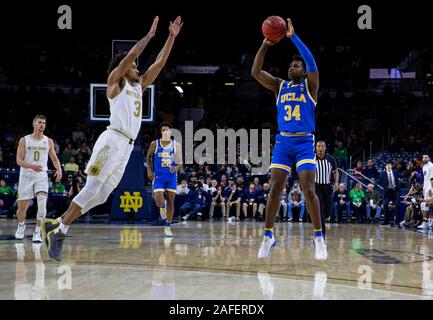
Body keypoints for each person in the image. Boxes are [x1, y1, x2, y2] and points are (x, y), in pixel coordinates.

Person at [43, 16, 183, 261]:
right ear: (124, 66)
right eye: (134, 65)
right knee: (93, 187)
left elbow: (159, 64)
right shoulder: (115, 83)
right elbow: (130, 56)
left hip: (126, 147)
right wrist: (149, 37)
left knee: (103, 194)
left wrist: (170, 37)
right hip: (111, 141)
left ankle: (54, 223)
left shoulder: (138, 86)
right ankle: (60, 230)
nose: (138, 67)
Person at [252, 18, 326, 260]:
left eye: (295, 66)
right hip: (284, 143)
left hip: (305, 142)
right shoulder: (279, 86)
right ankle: (268, 236)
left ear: (303, 71)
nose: (290, 69)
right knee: (274, 189)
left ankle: (318, 237)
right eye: (289, 66)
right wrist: (265, 44)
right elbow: (255, 72)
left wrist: (293, 37)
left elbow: (313, 63)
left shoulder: (310, 86)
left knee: (308, 189)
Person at [15, 115, 62, 242]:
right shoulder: (24, 140)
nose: (42, 125)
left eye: (44, 123)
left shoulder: (49, 141)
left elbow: (54, 159)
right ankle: (21, 225)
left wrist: (59, 169)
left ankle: (37, 232)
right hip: (26, 174)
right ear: (34, 124)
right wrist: (31, 166)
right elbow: (18, 160)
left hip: (41, 175)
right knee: (22, 207)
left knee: (42, 204)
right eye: (40, 122)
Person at [147, 122, 182, 237]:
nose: (165, 132)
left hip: (171, 177)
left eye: (167, 130)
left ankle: (167, 227)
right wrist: (149, 170)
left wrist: (176, 167)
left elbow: (180, 162)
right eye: (163, 130)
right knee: (159, 201)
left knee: (171, 203)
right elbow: (149, 156)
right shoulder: (155, 144)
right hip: (159, 177)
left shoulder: (176, 145)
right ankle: (162, 206)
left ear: (170, 132)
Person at [315, 140, 338, 236]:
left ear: (325, 148)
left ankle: (324, 218)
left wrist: (336, 183)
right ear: (316, 148)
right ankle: (321, 235)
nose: (320, 148)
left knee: (328, 211)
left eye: (322, 146)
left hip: (327, 187)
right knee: (320, 209)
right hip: (316, 186)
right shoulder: (312, 158)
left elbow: (336, 171)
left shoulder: (330, 158)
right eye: (318, 146)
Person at [379, 161, 401, 226]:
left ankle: (397, 221)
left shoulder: (395, 171)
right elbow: (379, 181)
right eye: (387, 165)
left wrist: (409, 172)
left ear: (391, 166)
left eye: (390, 165)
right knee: (385, 204)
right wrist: (373, 185)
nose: (388, 166)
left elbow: (402, 175)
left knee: (397, 205)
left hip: (395, 191)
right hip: (387, 192)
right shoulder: (382, 173)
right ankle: (386, 221)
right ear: (385, 167)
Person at [418, 155, 433, 229]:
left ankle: (429, 222)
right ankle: (425, 222)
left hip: (430, 188)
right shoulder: (424, 166)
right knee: (423, 204)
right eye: (423, 157)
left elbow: (432, 178)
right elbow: (425, 179)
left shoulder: (431, 166)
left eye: (426, 157)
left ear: (429, 158)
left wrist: (430, 188)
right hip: (426, 187)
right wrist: (424, 188)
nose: (424, 159)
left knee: (428, 204)